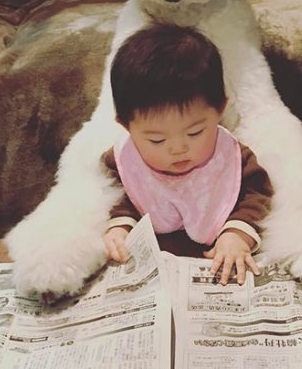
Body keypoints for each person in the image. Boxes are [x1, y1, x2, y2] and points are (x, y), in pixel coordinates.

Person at [102, 24, 273, 286]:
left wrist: (238, 233)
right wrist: (119, 225)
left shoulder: (233, 158)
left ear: (220, 110)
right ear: (126, 126)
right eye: (156, 139)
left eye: (195, 133)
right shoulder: (122, 161)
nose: (178, 148)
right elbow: (115, 194)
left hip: (213, 258)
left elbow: (258, 195)